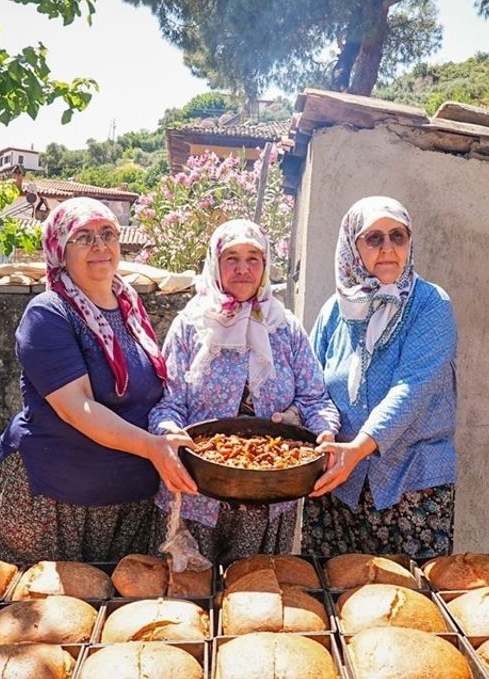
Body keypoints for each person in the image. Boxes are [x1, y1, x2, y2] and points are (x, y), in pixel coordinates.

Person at [0, 197, 197, 564]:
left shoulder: (129, 307)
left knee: (115, 613)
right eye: (83, 237)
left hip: (128, 497)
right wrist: (152, 447)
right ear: (60, 251)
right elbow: (77, 408)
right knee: (45, 612)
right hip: (57, 501)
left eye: (107, 234)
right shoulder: (49, 313)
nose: (99, 246)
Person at [150, 219, 339, 565]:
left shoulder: (285, 327)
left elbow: (315, 398)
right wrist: (168, 435)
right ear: (215, 264)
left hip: (270, 495)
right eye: (231, 258)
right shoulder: (191, 326)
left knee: (257, 598)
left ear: (265, 266)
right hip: (196, 491)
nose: (242, 268)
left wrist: (325, 430)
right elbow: (167, 404)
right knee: (190, 600)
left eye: (253, 258)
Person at [303, 196, 459, 558]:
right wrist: (307, 421)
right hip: (339, 483)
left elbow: (412, 388)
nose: (388, 248)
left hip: (410, 485)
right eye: (373, 238)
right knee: (337, 598)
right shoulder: (335, 309)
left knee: (409, 603)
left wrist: (358, 449)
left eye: (398, 237)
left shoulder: (430, 305)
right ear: (352, 247)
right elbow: (311, 385)